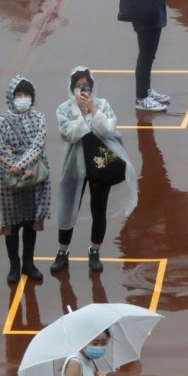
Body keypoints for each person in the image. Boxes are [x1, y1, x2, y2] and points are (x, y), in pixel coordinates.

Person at [50, 67, 137, 275]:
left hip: (100, 166)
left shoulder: (103, 105)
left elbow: (108, 130)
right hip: (74, 167)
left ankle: (95, 251)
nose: (83, 90)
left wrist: (94, 112)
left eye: (86, 86)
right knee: (68, 208)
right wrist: (81, 115)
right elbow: (69, 135)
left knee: (100, 211)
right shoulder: (64, 109)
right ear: (72, 88)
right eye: (79, 86)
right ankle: (63, 251)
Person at [0, 75, 50, 286]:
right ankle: (14, 265)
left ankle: (29, 263)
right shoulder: (2, 121)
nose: (23, 98)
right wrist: (13, 167)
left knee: (29, 221)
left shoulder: (39, 119)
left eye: (26, 94)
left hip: (32, 177)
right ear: (11, 97)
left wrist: (23, 166)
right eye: (19, 94)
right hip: (10, 180)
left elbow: (38, 145)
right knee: (12, 223)